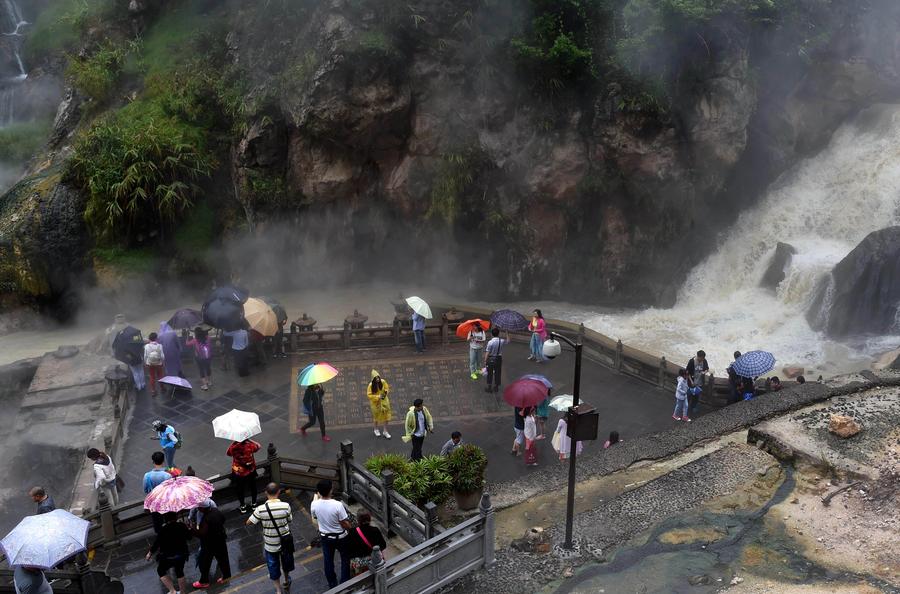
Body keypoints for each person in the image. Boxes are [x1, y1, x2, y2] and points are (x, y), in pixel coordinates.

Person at [247, 483, 294, 593]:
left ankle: (278, 590)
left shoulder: (260, 509)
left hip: (270, 544)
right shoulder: (286, 506)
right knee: (286, 563)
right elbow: (290, 520)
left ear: (266, 493)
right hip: (285, 542)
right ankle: (286, 580)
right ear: (279, 492)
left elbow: (249, 522)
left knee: (273, 567)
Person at [310, 479, 352, 588]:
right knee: (345, 559)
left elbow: (315, 517)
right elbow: (344, 523)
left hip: (325, 537)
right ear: (330, 490)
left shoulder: (314, 504)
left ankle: (332, 584)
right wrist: (350, 528)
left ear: (319, 492)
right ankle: (345, 583)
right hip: (341, 537)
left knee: (328, 561)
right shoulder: (337, 505)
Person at [145, 512, 191, 594]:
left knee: (161, 570)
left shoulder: (163, 529)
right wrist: (188, 527)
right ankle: (183, 592)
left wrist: (150, 553)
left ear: (165, 518)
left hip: (168, 556)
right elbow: (189, 537)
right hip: (181, 554)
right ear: (176, 516)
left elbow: (157, 543)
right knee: (180, 572)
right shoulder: (181, 525)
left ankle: (172, 591)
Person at [191, 500, 231, 589]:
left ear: (202, 508)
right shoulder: (216, 511)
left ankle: (204, 581)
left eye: (199, 507)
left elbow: (202, 533)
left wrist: (192, 530)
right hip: (221, 539)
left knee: (204, 562)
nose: (198, 508)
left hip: (209, 544)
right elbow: (223, 519)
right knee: (223, 559)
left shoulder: (206, 518)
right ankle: (226, 576)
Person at [345, 511, 387, 576]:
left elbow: (348, 550)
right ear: (370, 519)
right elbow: (383, 545)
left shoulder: (352, 532)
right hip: (374, 560)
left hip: (359, 563)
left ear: (358, 520)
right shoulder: (375, 530)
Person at [227, 438, 261, 513]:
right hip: (250, 470)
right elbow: (258, 446)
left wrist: (234, 442)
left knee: (240, 489)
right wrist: (250, 440)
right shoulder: (250, 445)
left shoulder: (234, 448)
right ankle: (254, 504)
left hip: (239, 472)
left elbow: (228, 453)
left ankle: (243, 506)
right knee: (253, 487)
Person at [144, 451, 173, 534]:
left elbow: (146, 490)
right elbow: (171, 490)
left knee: (158, 524)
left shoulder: (147, 476)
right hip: (166, 503)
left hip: (154, 503)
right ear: (163, 461)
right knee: (169, 522)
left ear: (153, 461)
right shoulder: (167, 475)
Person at [366, 370, 392, 439]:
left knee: (386, 416)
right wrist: (378, 397)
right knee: (376, 416)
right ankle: (376, 429)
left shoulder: (383, 381)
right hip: (376, 404)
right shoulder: (370, 385)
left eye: (378, 378)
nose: (377, 379)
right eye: (376, 378)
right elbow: (369, 395)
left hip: (384, 402)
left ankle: (385, 431)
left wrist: (385, 392)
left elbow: (386, 388)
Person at [484, 327, 509, 393]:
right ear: (498, 334)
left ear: (492, 334)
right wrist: (507, 333)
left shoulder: (490, 342)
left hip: (491, 359)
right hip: (498, 359)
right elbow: (508, 341)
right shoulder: (501, 341)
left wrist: (485, 360)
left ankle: (489, 387)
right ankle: (496, 387)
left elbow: (487, 352)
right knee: (498, 373)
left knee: (490, 373)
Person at [685, 350, 709, 416]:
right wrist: (691, 381)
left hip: (699, 383)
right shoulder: (692, 361)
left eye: (703, 358)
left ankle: (693, 407)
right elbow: (687, 372)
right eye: (702, 358)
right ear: (698, 356)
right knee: (689, 395)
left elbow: (707, 368)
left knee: (696, 395)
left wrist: (704, 372)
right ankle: (686, 407)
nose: (702, 360)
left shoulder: (704, 361)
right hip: (691, 382)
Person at [144, 332, 165, 397]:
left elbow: (145, 356)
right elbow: (162, 356)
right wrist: (162, 362)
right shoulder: (160, 346)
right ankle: (162, 388)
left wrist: (146, 363)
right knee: (160, 376)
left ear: (149, 339)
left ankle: (153, 391)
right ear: (156, 338)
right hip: (159, 363)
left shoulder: (146, 346)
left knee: (152, 377)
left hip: (150, 364)